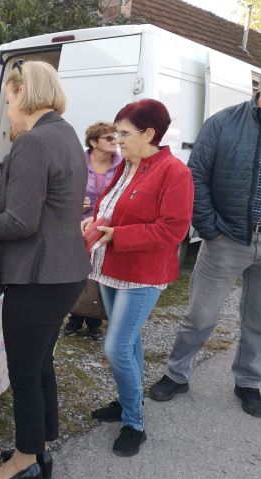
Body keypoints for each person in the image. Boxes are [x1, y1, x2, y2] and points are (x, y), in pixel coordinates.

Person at [0, 60, 91, 479]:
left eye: (8, 100)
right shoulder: (66, 133)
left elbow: (20, 221)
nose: (8, 111)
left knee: (23, 370)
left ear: (23, 93)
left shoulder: (34, 142)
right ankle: (40, 448)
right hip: (63, 271)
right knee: (39, 364)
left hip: (39, 275)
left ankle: (24, 463)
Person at [84, 99, 193, 456]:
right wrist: (95, 220)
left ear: (149, 134)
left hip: (143, 274)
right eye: (116, 133)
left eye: (124, 133)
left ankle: (134, 422)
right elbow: (113, 207)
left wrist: (118, 235)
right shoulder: (127, 165)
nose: (117, 140)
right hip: (111, 267)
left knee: (116, 346)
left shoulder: (174, 172)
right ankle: (126, 402)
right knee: (129, 343)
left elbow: (172, 231)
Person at [149, 92, 261, 418]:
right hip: (227, 237)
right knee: (200, 315)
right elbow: (195, 176)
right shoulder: (223, 123)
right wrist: (210, 228)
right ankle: (176, 374)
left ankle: (249, 382)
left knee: (258, 320)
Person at [64, 122, 121, 340]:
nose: (115, 141)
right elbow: (63, 192)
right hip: (78, 226)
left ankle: (95, 320)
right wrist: (74, 204)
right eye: (109, 138)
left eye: (116, 137)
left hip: (105, 228)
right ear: (93, 142)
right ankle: (75, 318)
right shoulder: (77, 162)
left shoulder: (123, 165)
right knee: (77, 274)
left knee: (98, 274)